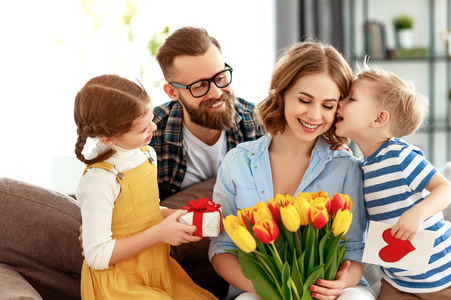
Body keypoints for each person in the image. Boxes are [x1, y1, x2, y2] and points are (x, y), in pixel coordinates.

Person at [209, 41, 376, 300]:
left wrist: (340, 284)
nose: (314, 115)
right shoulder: (237, 163)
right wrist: (270, 289)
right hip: (260, 292)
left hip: (330, 293)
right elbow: (222, 249)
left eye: (328, 106)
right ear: (282, 93)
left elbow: (354, 249)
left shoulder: (346, 168)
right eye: (304, 100)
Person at [335, 65, 451, 299]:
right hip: (398, 283)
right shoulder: (362, 167)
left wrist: (417, 214)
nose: (339, 103)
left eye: (350, 98)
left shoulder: (400, 155)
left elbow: (446, 189)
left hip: (446, 279)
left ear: (379, 118)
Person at [74, 74, 217, 299]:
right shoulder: (100, 180)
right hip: (120, 284)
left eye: (151, 118)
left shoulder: (146, 154)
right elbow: (97, 256)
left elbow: (145, 213)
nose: (154, 127)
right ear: (108, 138)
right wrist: (160, 234)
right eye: (142, 129)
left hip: (158, 270)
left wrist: (176, 216)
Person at [151, 26, 264, 201]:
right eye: (199, 86)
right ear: (172, 92)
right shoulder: (149, 134)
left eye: (220, 78)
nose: (217, 93)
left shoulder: (258, 123)